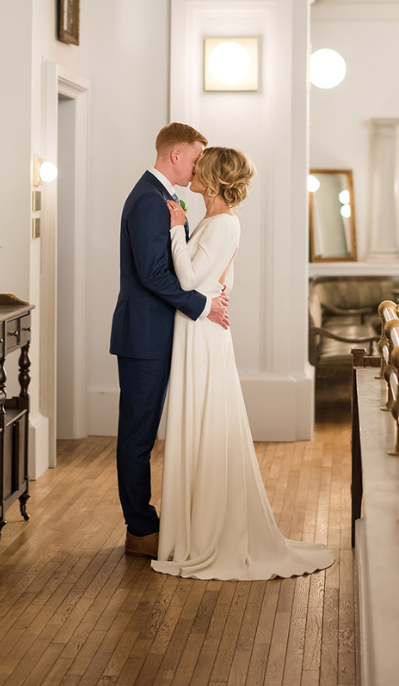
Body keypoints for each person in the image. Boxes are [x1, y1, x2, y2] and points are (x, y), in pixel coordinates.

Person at [153, 146, 333, 580]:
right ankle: (193, 529)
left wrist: (176, 231)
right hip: (198, 328)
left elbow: (189, 279)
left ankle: (207, 533)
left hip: (203, 335)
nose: (193, 171)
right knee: (199, 421)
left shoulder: (223, 224)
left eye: (201, 167)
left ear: (212, 179)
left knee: (206, 420)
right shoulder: (215, 221)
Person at [112, 122, 230, 558]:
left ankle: (154, 524)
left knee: (148, 434)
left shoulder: (164, 196)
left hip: (162, 333)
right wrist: (202, 306)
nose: (200, 165)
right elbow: (153, 275)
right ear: (176, 155)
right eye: (197, 157)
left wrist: (210, 294)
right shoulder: (148, 199)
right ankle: (141, 530)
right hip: (144, 336)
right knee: (138, 436)